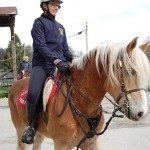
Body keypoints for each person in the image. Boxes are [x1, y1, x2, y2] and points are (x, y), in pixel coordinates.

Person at [21, 0, 73, 144]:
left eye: (58, 5)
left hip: (61, 64)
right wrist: (55, 60)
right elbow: (41, 47)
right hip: (42, 65)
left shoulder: (60, 27)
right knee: (32, 93)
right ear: (45, 6)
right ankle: (31, 127)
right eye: (53, 4)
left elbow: (66, 51)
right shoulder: (38, 23)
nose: (56, 7)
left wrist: (74, 61)